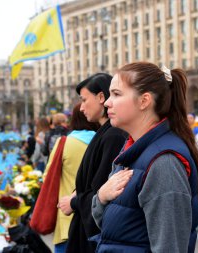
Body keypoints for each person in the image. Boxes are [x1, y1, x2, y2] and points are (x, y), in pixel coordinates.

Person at [92, 62, 198, 252]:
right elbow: (114, 229)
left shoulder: (164, 163)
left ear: (144, 101)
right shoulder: (131, 152)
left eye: (117, 94)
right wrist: (101, 197)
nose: (107, 102)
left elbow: (170, 247)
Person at [57, 73, 127, 253]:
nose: (81, 108)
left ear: (101, 98)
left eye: (84, 100)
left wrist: (74, 202)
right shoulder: (105, 132)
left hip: (93, 235)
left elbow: (102, 190)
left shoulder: (113, 135)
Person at [43, 103, 99, 253]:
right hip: (95, 215)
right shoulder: (103, 141)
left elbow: (47, 176)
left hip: (67, 215)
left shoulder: (65, 143)